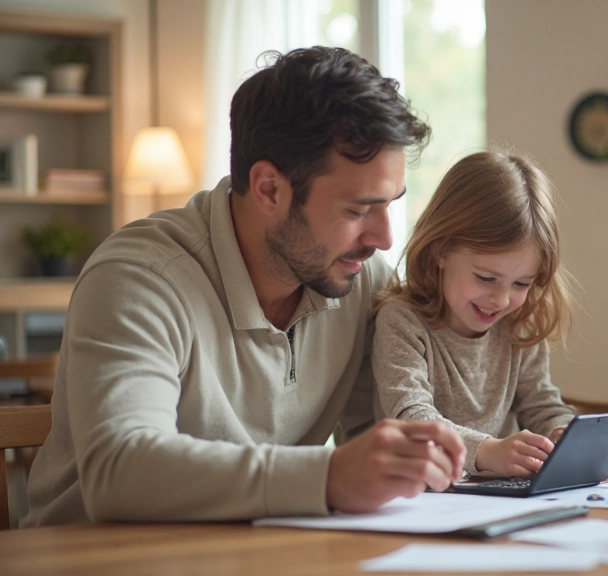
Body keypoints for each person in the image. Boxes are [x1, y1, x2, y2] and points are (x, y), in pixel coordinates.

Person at [23, 47, 466, 527]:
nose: (383, 239)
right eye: (359, 210)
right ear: (269, 189)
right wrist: (329, 476)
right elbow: (119, 471)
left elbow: (378, 434)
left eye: (390, 204)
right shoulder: (138, 278)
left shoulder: (359, 281)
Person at [373, 150, 577, 477]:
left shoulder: (519, 326)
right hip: (410, 493)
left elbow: (541, 404)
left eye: (522, 283)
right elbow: (411, 415)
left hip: (484, 499)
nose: (501, 299)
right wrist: (488, 451)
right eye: (486, 278)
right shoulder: (403, 321)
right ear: (441, 250)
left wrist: (562, 433)